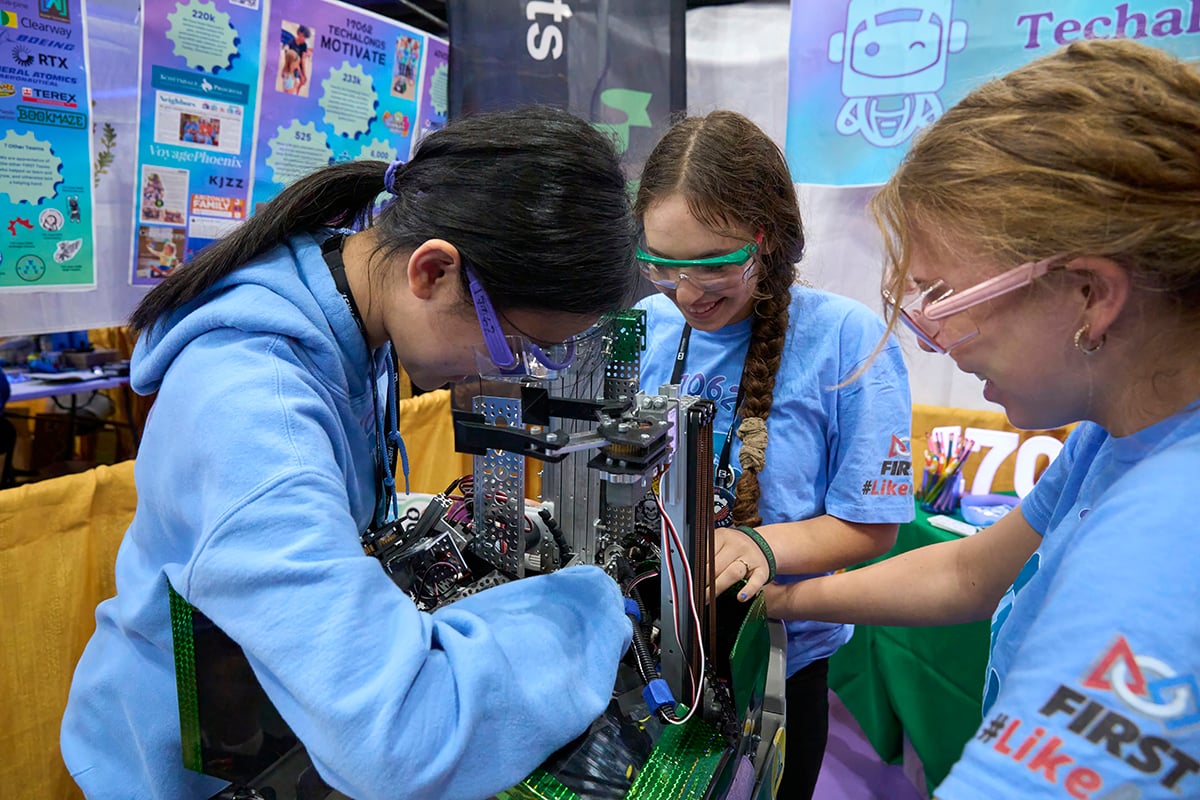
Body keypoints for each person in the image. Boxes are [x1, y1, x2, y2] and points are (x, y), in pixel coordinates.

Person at [60, 106, 639, 800]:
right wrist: (589, 615)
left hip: (267, 724)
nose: (515, 376)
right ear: (433, 272)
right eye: (518, 348)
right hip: (189, 770)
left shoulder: (345, 309)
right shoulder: (254, 410)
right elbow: (398, 742)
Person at [750, 39, 1200, 799]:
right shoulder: (1115, 432)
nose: (933, 340)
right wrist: (779, 599)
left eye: (943, 298)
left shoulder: (1167, 535)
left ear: (1091, 293)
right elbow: (969, 570)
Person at [634, 110, 914, 799]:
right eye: (664, 264)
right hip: (648, 651)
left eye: (713, 265)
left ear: (769, 241)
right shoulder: (644, 327)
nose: (688, 292)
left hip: (782, 663)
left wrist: (759, 544)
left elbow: (871, 525)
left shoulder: (848, 342)